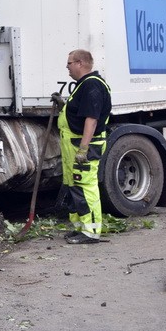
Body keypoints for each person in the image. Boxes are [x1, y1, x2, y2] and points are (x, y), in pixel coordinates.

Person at [56, 49, 112, 244]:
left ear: (80, 63)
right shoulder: (84, 86)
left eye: (69, 63)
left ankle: (91, 232)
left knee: (85, 185)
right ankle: (80, 227)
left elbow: (91, 119)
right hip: (73, 144)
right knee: (74, 185)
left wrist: (83, 149)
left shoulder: (92, 85)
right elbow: (79, 114)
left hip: (82, 146)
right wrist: (63, 105)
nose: (67, 67)